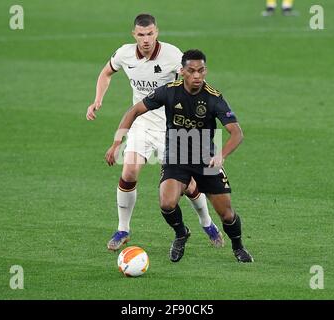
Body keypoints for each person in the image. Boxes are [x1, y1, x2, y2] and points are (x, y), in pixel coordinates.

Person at [86, 14, 223, 251]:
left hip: (173, 128)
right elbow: (106, 73)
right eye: (141, 35)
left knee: (189, 185)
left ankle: (207, 223)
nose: (146, 39)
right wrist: (97, 100)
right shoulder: (124, 54)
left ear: (156, 32)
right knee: (128, 172)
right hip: (142, 123)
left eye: (150, 34)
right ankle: (123, 229)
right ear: (134, 35)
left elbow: (192, 82)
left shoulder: (172, 55)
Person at [105, 49, 254, 263]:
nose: (197, 76)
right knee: (167, 203)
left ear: (205, 71)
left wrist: (221, 155)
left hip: (206, 158)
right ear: (182, 71)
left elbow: (237, 133)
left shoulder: (214, 98)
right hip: (177, 156)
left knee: (227, 214)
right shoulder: (169, 91)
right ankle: (181, 233)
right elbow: (134, 111)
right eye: (191, 71)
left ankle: (238, 247)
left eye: (201, 71)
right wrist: (117, 142)